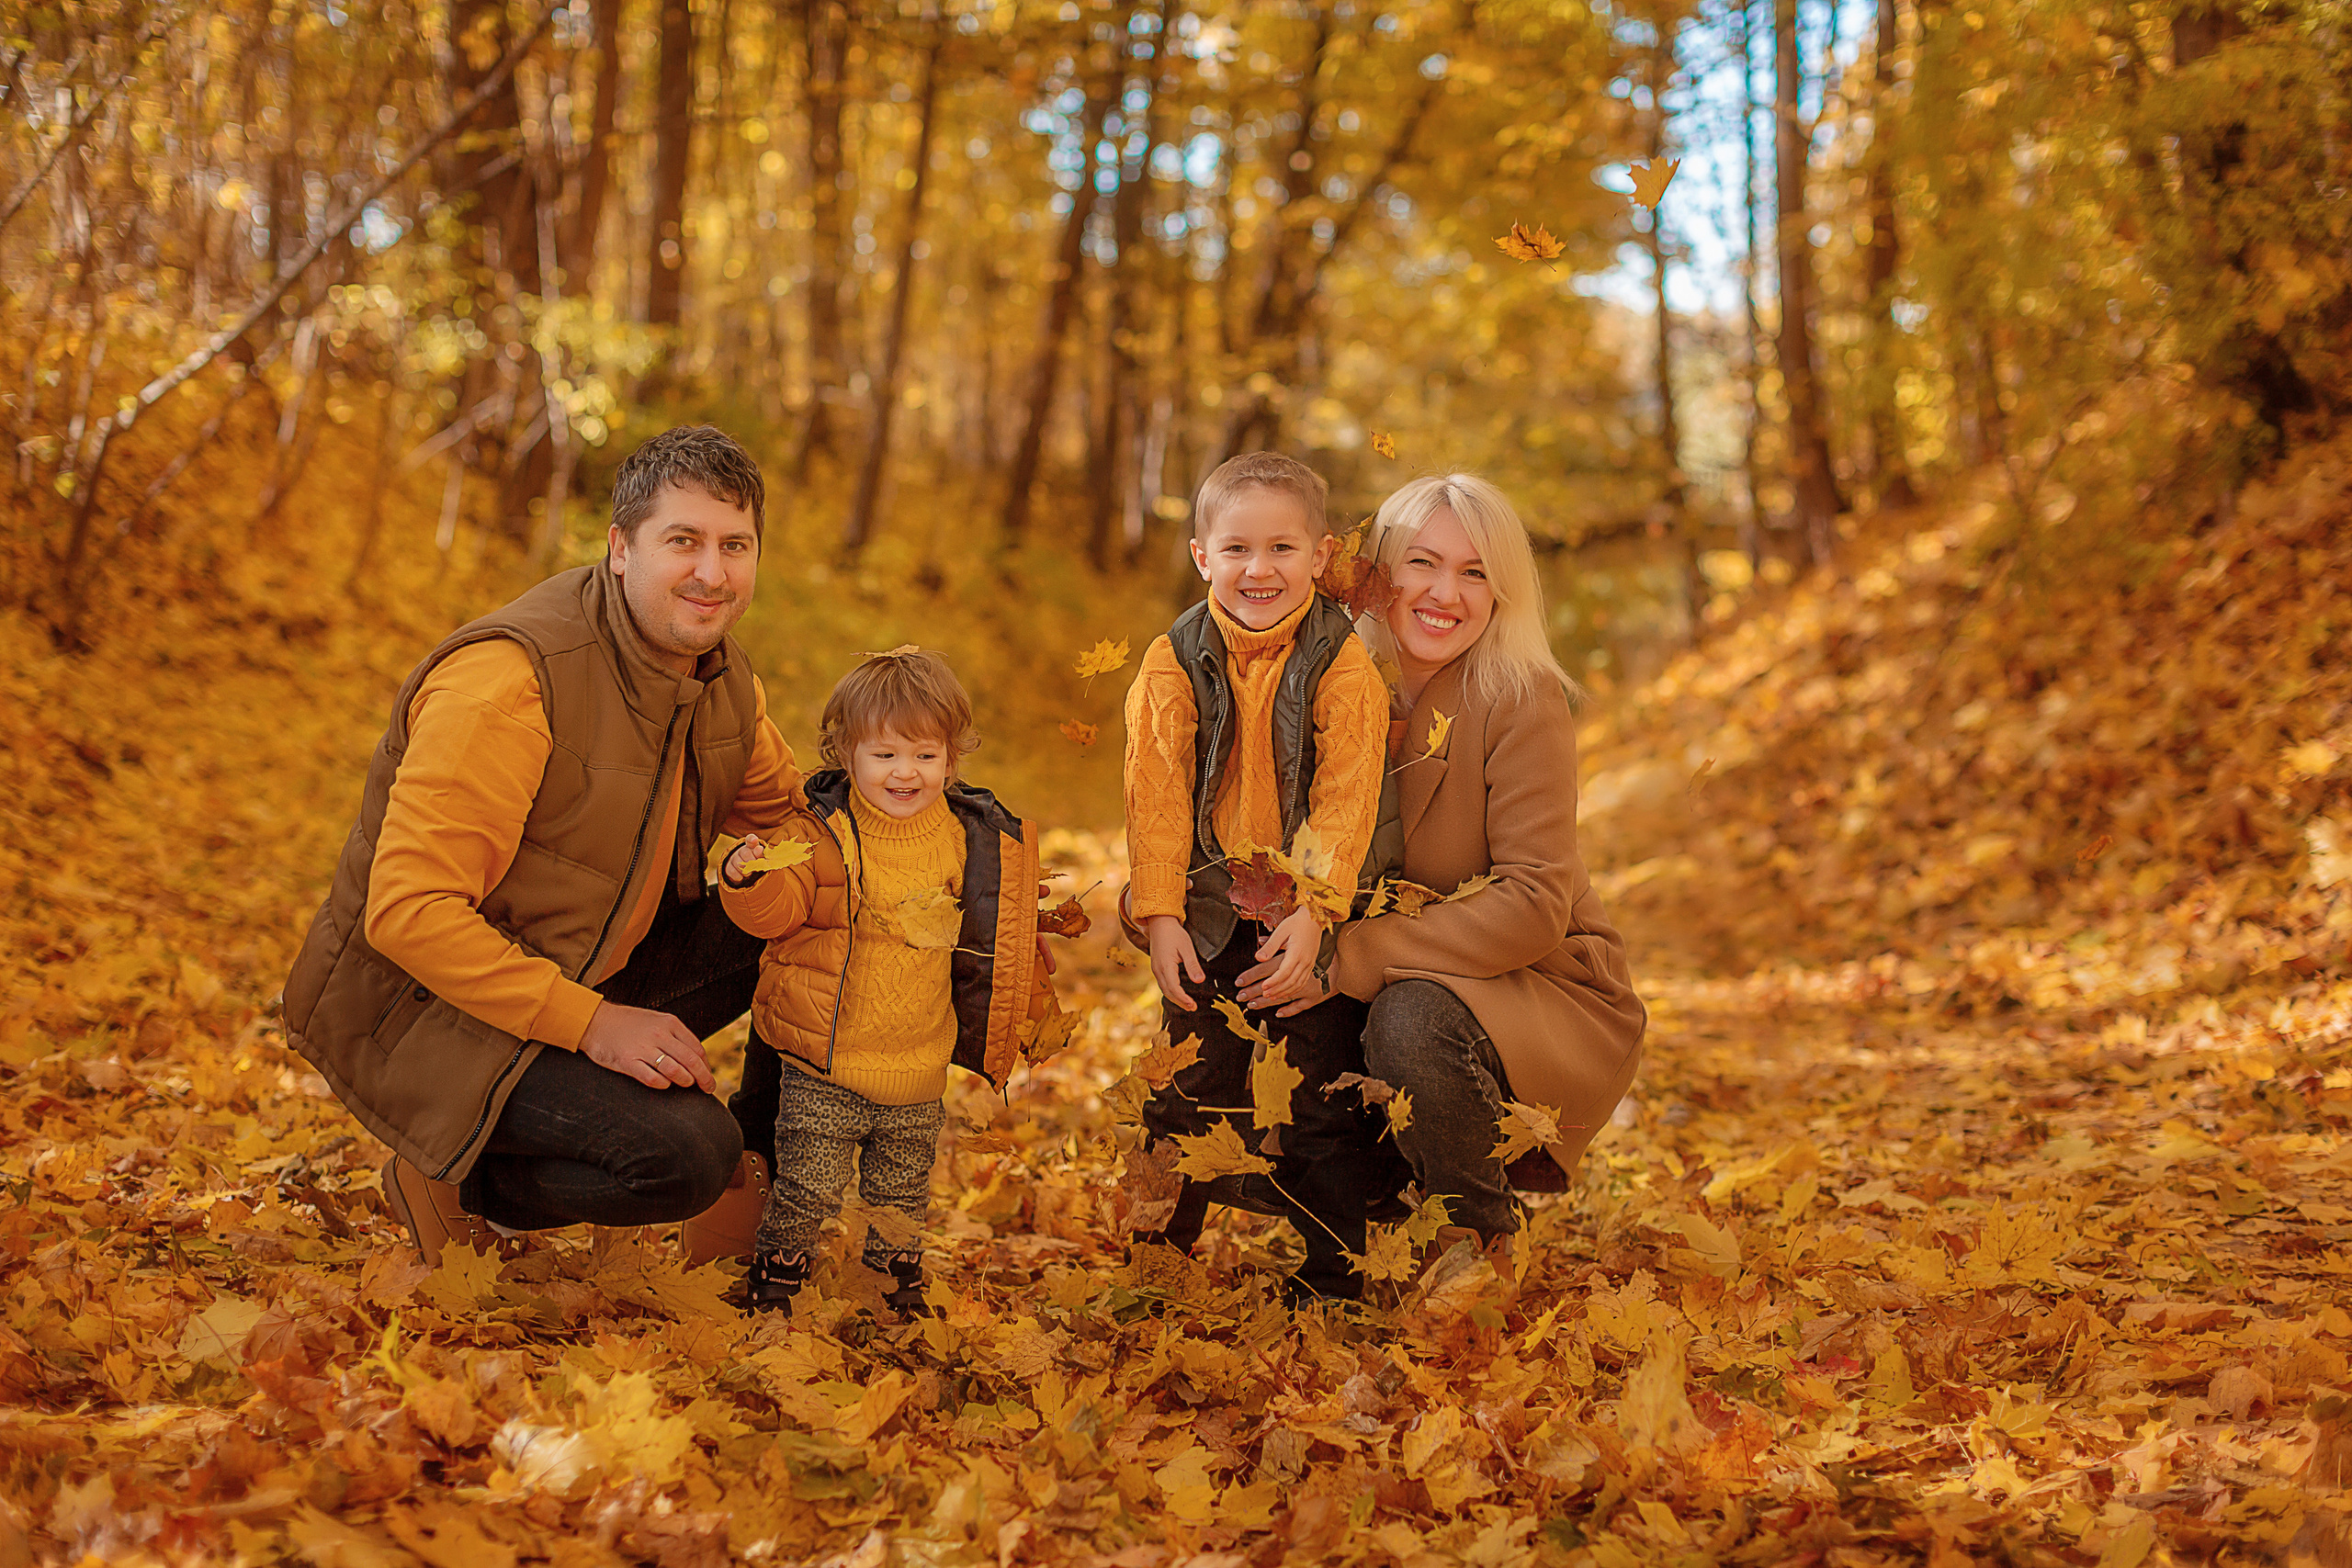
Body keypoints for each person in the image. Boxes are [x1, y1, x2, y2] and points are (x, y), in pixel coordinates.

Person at [283, 425, 799, 1265]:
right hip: (426, 1014)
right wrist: (595, 1025)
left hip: (574, 968)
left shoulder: (720, 684)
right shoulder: (510, 683)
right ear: (621, 548)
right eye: (684, 541)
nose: (713, 572)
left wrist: (935, 854)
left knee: (802, 909)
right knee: (682, 1154)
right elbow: (409, 914)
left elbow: (798, 831)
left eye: (734, 545)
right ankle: (450, 1175)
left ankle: (766, 1181)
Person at [1238, 472, 1647, 1294]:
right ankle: (1353, 1241)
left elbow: (1536, 903)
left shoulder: (1521, 697)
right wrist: (1166, 900)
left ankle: (1480, 1236)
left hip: (1534, 983)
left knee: (1409, 1017)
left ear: (1502, 592)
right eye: (1423, 563)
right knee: (1259, 981)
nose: (1445, 593)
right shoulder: (1326, 678)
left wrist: (1352, 955)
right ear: (1379, 571)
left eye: (1474, 573)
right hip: (1385, 954)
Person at [1120, 451, 1398, 1303]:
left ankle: (1335, 1275)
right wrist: (1161, 912)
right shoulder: (1172, 662)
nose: (1259, 568)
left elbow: (1345, 797)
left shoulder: (1343, 666)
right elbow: (1156, 796)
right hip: (1206, 908)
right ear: (1203, 555)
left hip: (1302, 916)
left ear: (1319, 556)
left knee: (1318, 1093)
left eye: (1282, 548)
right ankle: (1154, 1263)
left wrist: (1315, 912)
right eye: (1237, 548)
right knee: (1181, 1088)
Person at [716, 649, 1057, 1313]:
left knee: (899, 1200)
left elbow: (995, 929)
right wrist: (746, 880)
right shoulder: (817, 834)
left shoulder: (970, 840)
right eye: (885, 756)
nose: (907, 773)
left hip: (917, 1065)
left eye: (926, 756)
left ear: (952, 759)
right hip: (828, 1062)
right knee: (807, 1188)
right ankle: (777, 1283)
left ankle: (890, 1293)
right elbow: (778, 910)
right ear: (847, 753)